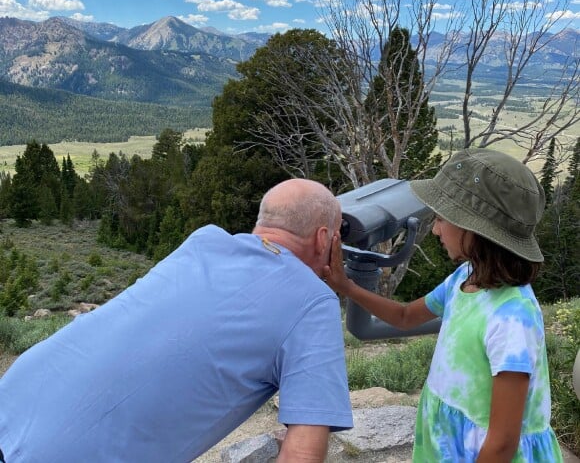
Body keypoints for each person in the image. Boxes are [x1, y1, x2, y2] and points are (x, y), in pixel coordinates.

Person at [0, 179, 353, 462]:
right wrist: (332, 285)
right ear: (325, 238)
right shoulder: (313, 303)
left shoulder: (204, 241)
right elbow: (304, 454)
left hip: (15, 400)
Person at [324, 148, 563, 462]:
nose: (435, 229)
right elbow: (406, 316)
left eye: (441, 219)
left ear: (475, 230)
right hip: (451, 443)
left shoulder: (512, 318)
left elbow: (503, 443)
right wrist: (346, 287)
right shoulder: (466, 277)